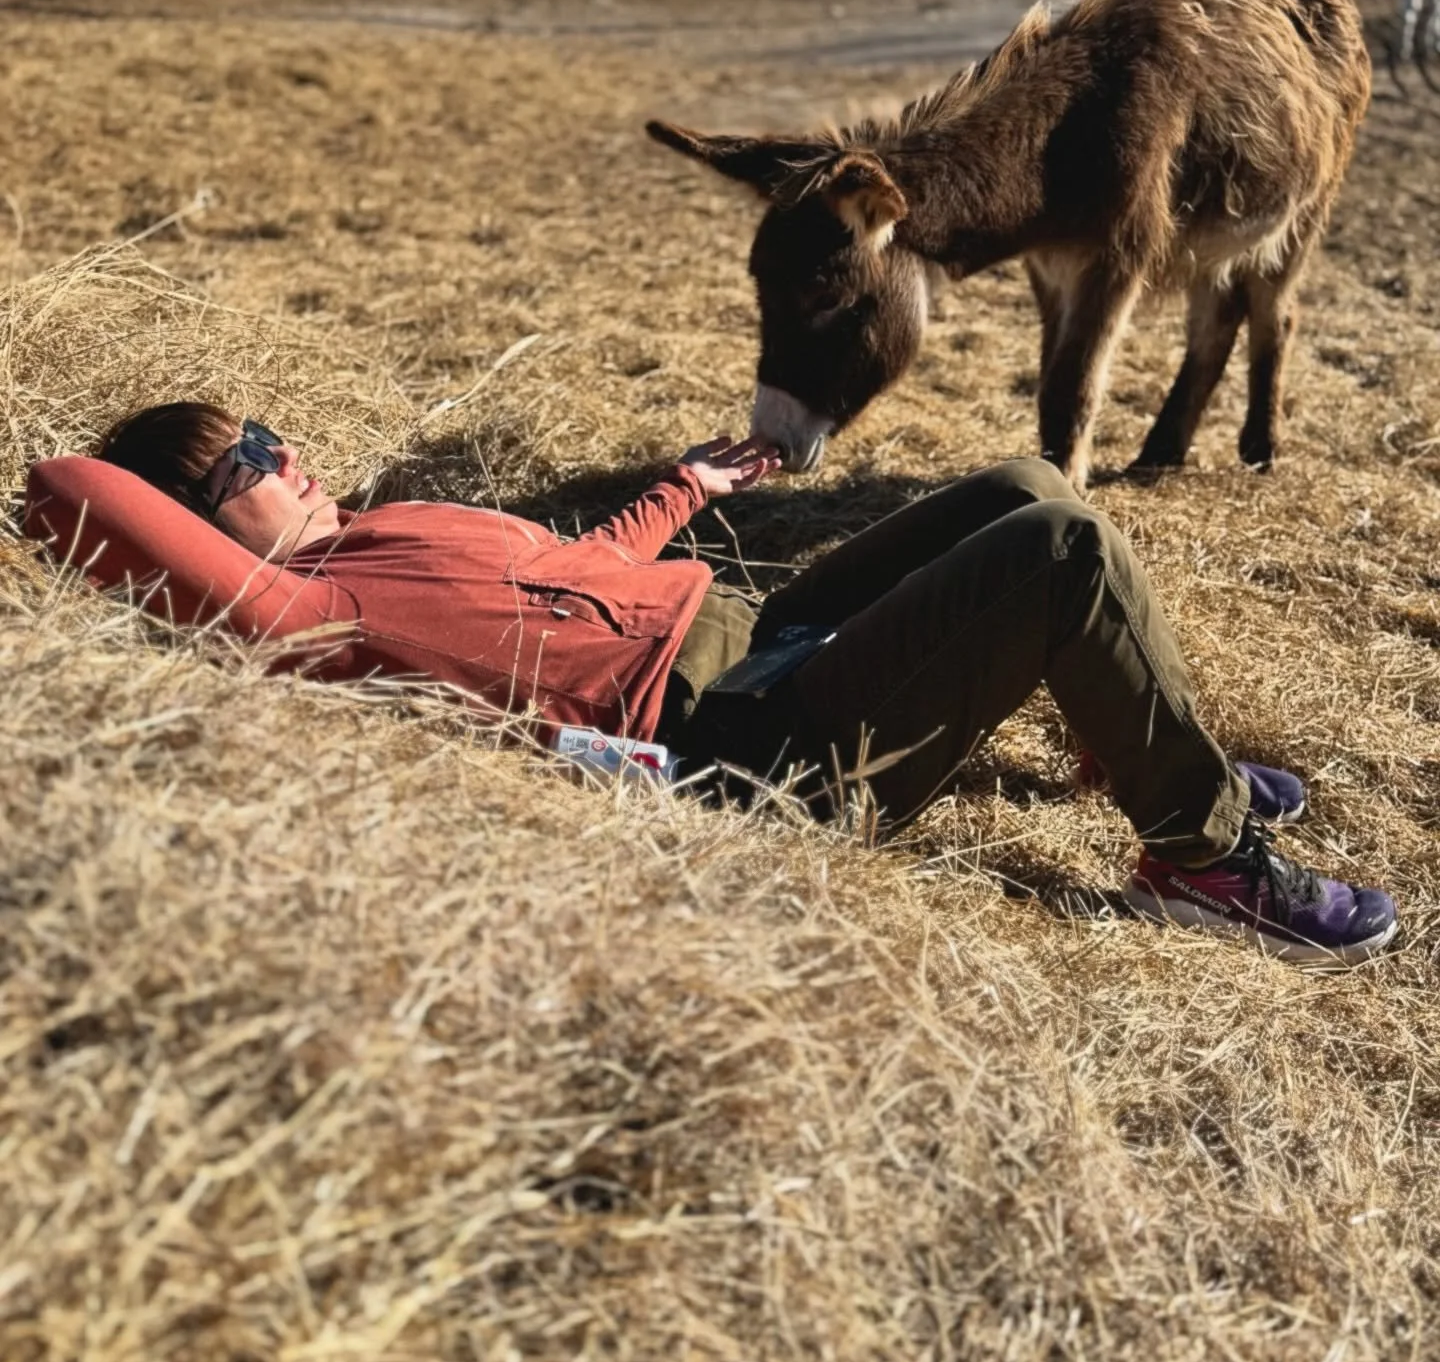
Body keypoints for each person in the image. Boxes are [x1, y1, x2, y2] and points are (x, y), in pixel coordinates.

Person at [94, 401, 1398, 967]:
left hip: (753, 626)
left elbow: (570, 565)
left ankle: (1130, 732)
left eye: (269, 430)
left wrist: (691, 489)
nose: (290, 452)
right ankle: (1205, 860)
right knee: (1065, 555)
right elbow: (64, 493)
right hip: (756, 744)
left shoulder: (383, 525)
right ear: (201, 534)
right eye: (248, 458)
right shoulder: (300, 613)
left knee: (1027, 490)